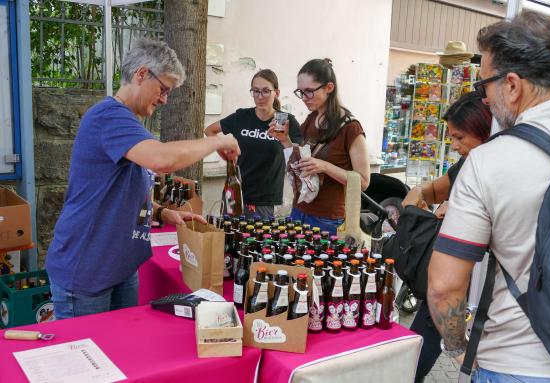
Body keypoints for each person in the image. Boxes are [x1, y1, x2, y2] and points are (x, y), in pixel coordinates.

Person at [46, 39, 240, 319]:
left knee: (120, 353)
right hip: (88, 269)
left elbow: (120, 188)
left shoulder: (125, 121)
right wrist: (216, 141)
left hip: (119, 265)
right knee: (90, 357)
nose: (164, 99)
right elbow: (162, 160)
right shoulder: (109, 117)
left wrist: (162, 212)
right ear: (141, 73)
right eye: (163, 89)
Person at [428, 11, 550, 381]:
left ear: (512, 85)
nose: (486, 99)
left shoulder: (488, 161)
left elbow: (445, 285)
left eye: (484, 87)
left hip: (517, 364)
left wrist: (457, 344)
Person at [401, 91, 492, 382]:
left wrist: (462, 210)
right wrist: (415, 196)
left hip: (475, 286)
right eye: (450, 138)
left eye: (459, 138)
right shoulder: (469, 163)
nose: (453, 146)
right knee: (417, 350)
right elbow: (433, 189)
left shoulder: (495, 167)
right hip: (450, 289)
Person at [269, 58, 370, 234]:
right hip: (299, 211)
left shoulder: (351, 128)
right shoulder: (311, 119)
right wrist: (284, 140)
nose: (304, 98)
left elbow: (363, 181)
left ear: (329, 88)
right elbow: (301, 162)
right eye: (300, 92)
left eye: (309, 91)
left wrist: (325, 166)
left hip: (329, 220)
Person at [205, 69, 301, 219]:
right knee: (229, 237)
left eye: (265, 91)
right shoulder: (242, 116)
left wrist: (285, 139)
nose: (260, 97)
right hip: (234, 192)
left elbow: (298, 157)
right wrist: (224, 154)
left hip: (263, 199)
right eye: (255, 91)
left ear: (277, 92)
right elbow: (210, 131)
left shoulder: (285, 121)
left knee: (256, 241)